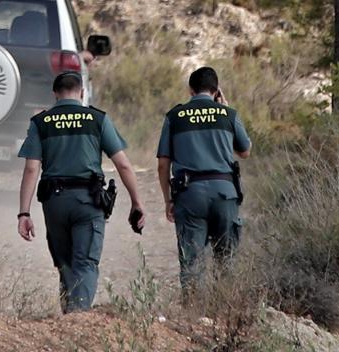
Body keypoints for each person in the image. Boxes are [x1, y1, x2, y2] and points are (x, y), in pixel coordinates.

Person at [16, 71, 146, 312]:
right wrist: (137, 202)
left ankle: (70, 319)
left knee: (65, 264)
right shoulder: (97, 119)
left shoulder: (41, 123)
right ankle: (79, 320)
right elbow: (124, 164)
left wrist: (23, 213)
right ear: (83, 92)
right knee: (85, 263)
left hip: (54, 203)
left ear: (55, 95)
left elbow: (31, 169)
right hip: (88, 202)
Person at [156, 66, 251, 289]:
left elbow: (163, 164)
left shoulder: (175, 116)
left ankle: (194, 316)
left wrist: (167, 199)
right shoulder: (229, 115)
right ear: (217, 90)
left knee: (191, 263)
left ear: (190, 90)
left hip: (189, 195)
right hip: (224, 193)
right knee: (226, 260)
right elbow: (245, 150)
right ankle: (225, 311)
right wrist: (224, 111)